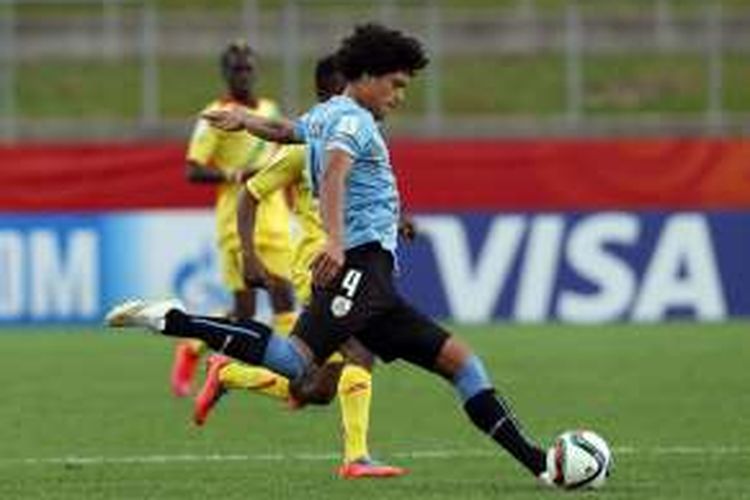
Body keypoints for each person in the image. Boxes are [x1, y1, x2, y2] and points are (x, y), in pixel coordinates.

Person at [107, 24, 556, 486]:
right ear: (365, 75)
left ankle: (540, 465)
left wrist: (245, 122)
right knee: (295, 363)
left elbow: (286, 130)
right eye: (395, 85)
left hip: (376, 280)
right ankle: (175, 320)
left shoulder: (328, 114)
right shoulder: (353, 121)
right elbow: (337, 173)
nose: (399, 97)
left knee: (460, 363)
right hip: (360, 266)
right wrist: (336, 243)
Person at [192, 53, 408, 479]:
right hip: (320, 268)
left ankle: (231, 373)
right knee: (360, 351)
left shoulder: (357, 141)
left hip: (354, 265)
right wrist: (250, 255)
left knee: (318, 389)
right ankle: (356, 458)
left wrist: (399, 222)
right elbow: (251, 192)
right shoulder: (305, 147)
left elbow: (363, 201)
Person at [172, 39, 297, 397]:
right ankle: (194, 347)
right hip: (236, 223)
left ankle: (287, 377)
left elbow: (281, 163)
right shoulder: (214, 116)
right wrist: (235, 175)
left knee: (284, 298)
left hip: (274, 220)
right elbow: (192, 171)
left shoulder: (270, 110)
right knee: (245, 310)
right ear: (226, 73)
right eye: (237, 69)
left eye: (249, 68)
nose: (244, 74)